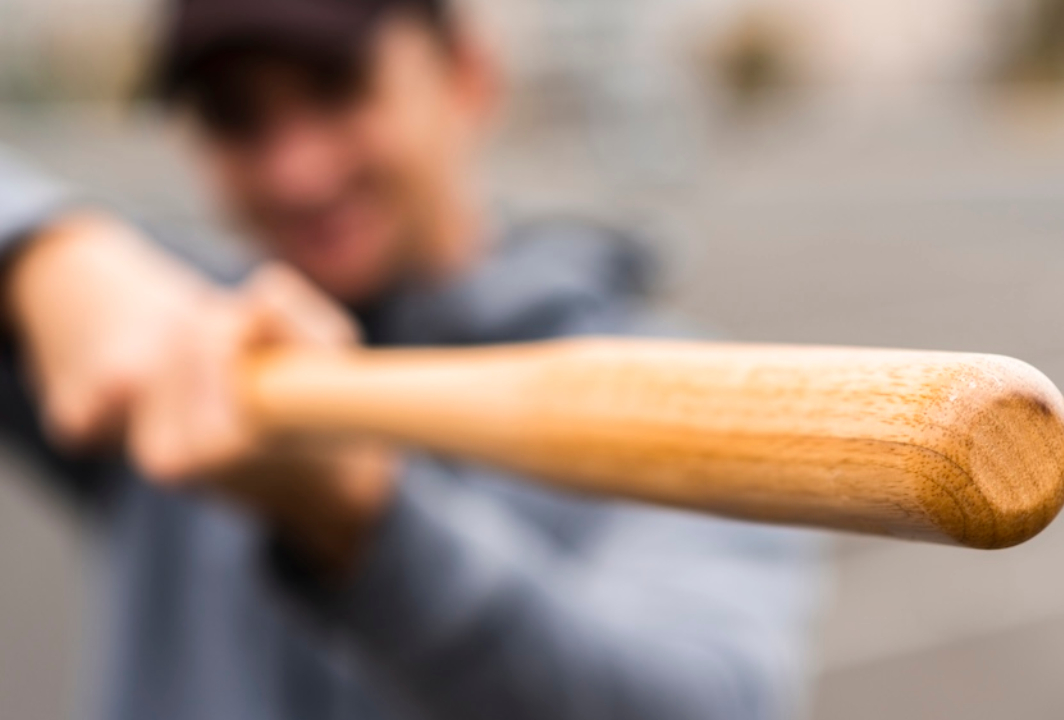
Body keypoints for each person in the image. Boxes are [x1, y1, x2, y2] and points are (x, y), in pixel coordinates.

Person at [0, 0, 823, 719]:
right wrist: (47, 253)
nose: (298, 171)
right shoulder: (180, 342)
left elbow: (698, 704)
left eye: (336, 85)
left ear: (467, 73)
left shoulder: (682, 389)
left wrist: (366, 516)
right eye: (234, 116)